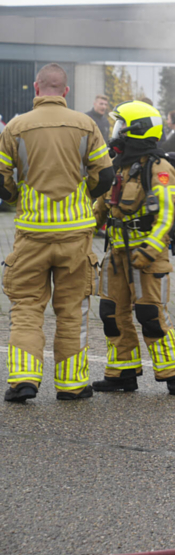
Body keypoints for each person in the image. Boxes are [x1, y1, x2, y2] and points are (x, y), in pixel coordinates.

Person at [0, 64, 114, 402]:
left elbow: (1, 178)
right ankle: (71, 384)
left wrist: (17, 197)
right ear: (65, 91)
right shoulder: (86, 124)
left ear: (37, 88)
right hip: (75, 236)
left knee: (26, 307)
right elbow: (105, 176)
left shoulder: (15, 127)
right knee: (72, 310)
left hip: (31, 234)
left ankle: (23, 379)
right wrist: (83, 197)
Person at [91, 100, 175, 396]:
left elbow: (169, 216)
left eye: (121, 126)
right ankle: (123, 373)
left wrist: (149, 250)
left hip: (147, 258)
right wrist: (75, 236)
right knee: (111, 313)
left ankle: (173, 373)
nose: (116, 132)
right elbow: (100, 209)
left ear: (138, 131)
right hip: (116, 257)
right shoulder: (117, 167)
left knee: (150, 315)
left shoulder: (159, 168)